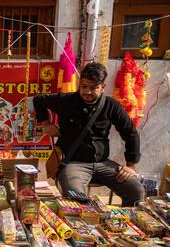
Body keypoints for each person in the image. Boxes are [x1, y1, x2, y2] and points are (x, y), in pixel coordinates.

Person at [32, 62, 145, 206]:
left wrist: (131, 166)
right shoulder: (67, 101)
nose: (87, 92)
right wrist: (46, 124)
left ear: (103, 87)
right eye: (84, 87)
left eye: (93, 88)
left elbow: (130, 133)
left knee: (136, 191)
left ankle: (125, 225)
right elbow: (39, 100)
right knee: (76, 198)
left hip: (104, 164)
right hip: (73, 163)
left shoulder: (111, 105)